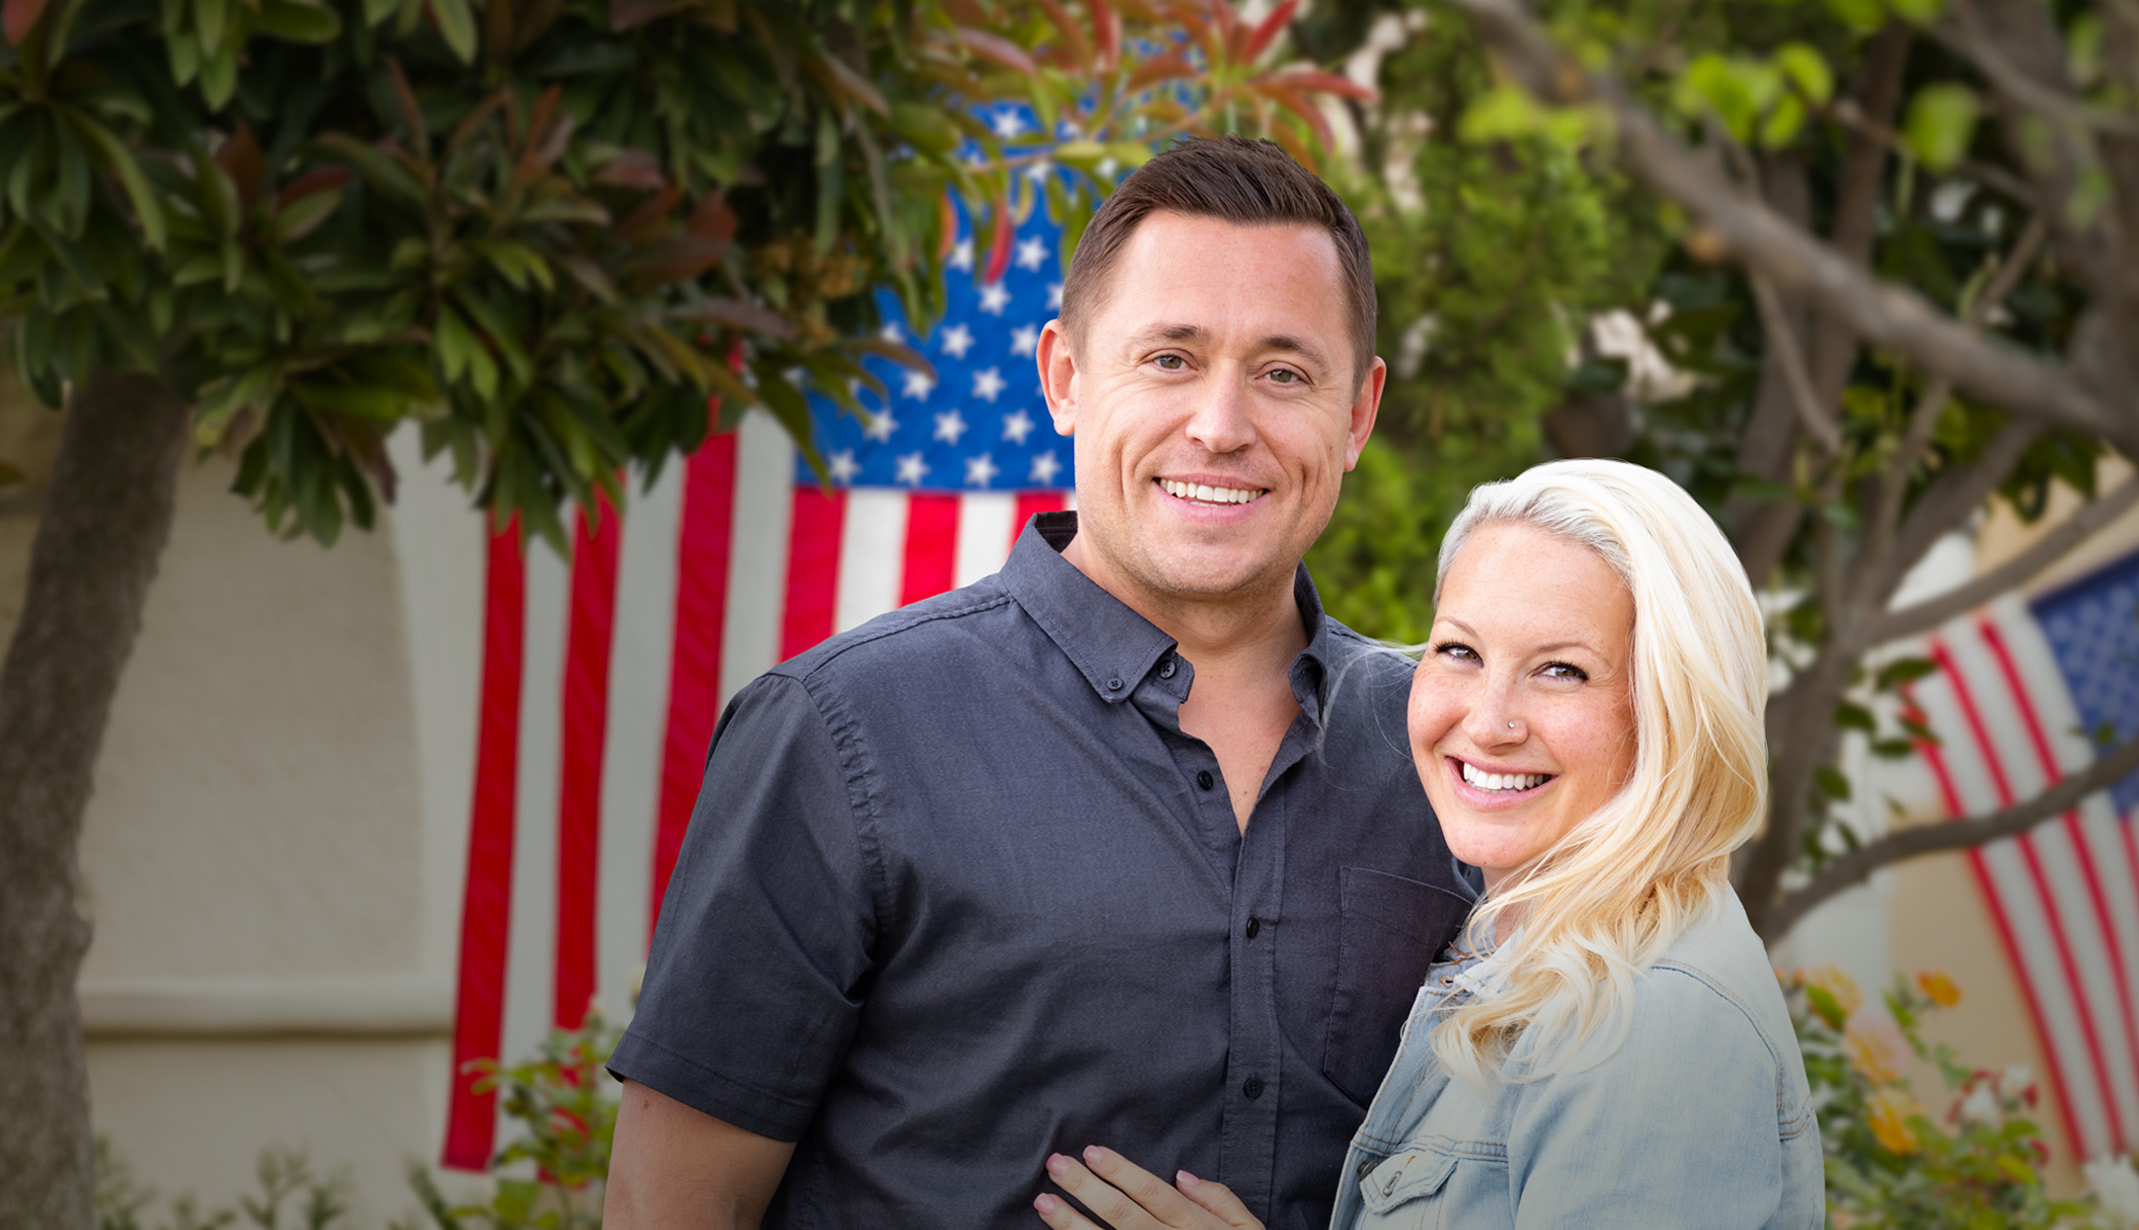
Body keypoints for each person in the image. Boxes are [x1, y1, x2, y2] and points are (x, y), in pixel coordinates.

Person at [600, 135, 1478, 1229]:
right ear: (1064, 378)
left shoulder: (1448, 758)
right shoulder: (842, 735)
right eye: (1169, 359)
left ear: (1358, 414)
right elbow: (670, 1208)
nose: (1220, 425)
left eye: (1284, 372)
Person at [1033, 459, 1824, 1229]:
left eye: (1561, 671)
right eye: (1460, 651)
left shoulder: (1652, 1017)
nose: (1488, 721)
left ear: (1674, 710)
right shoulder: (1522, 952)